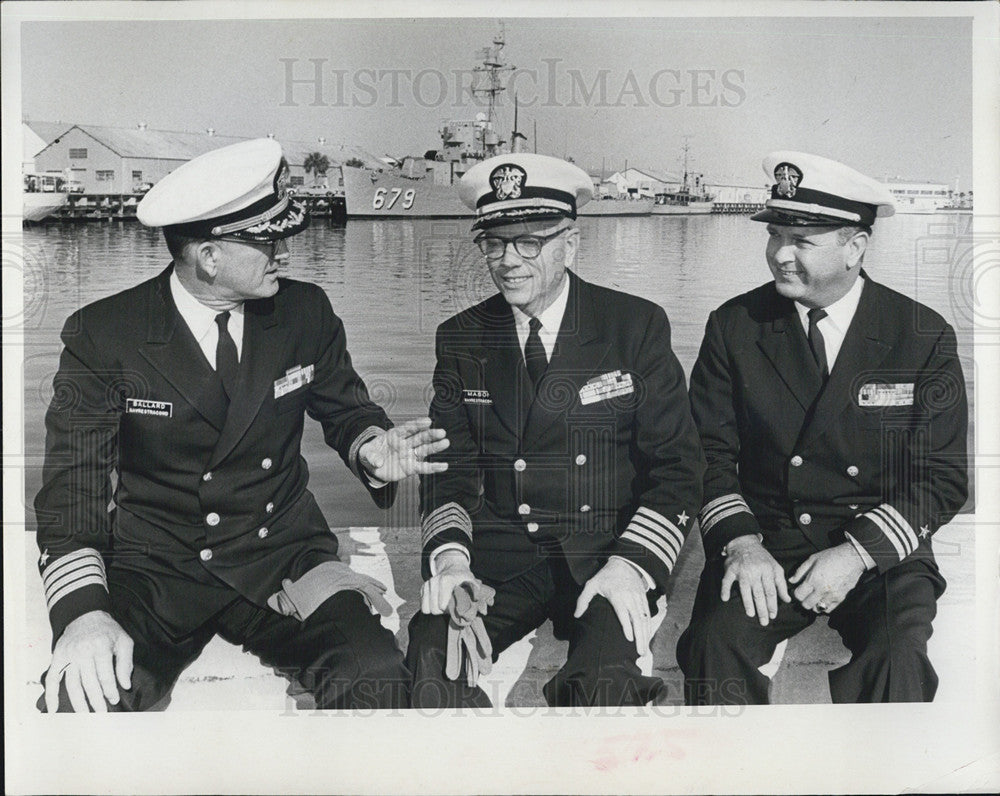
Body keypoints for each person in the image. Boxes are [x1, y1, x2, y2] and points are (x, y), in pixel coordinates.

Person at [34, 138, 449, 712]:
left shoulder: (305, 312)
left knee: (376, 676)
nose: (282, 253)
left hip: (282, 557)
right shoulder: (105, 335)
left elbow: (347, 410)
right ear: (208, 256)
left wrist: (374, 450)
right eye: (266, 241)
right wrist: (83, 614)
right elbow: (72, 487)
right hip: (157, 572)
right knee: (80, 701)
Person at [406, 153, 705, 708]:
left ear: (570, 243)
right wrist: (451, 559)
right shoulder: (462, 337)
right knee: (433, 653)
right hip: (500, 553)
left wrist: (633, 566)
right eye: (494, 243)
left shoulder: (633, 326)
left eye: (529, 242)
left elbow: (678, 468)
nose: (508, 262)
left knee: (603, 680)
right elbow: (450, 472)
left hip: (606, 550)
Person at [677, 151, 969, 704]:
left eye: (801, 241)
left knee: (897, 657)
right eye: (775, 236)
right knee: (713, 646)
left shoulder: (920, 335)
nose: (780, 255)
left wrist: (858, 553)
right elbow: (706, 455)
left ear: (854, 248)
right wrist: (740, 543)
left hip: (881, 549)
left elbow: (942, 476)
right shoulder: (734, 326)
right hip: (768, 540)